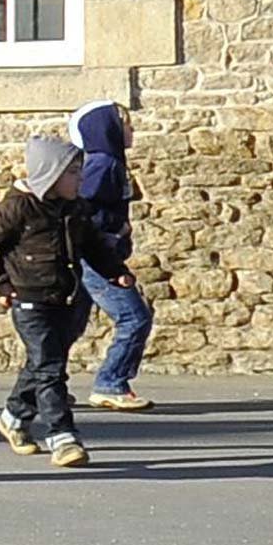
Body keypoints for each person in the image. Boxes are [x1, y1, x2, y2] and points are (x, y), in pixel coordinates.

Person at [0, 136, 134, 469]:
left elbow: (93, 246)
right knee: (50, 369)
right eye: (72, 174)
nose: (80, 180)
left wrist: (116, 272)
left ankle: (12, 418)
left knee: (43, 364)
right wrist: (1, 282)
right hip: (29, 301)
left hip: (65, 297)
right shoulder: (18, 208)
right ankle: (62, 437)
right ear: (50, 175)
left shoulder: (75, 208)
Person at [68, 100, 155, 411]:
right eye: (125, 125)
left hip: (92, 257)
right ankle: (111, 383)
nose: (131, 131)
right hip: (96, 260)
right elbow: (81, 210)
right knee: (135, 318)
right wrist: (110, 237)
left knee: (69, 325)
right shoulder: (103, 164)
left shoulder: (108, 162)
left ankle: (43, 386)